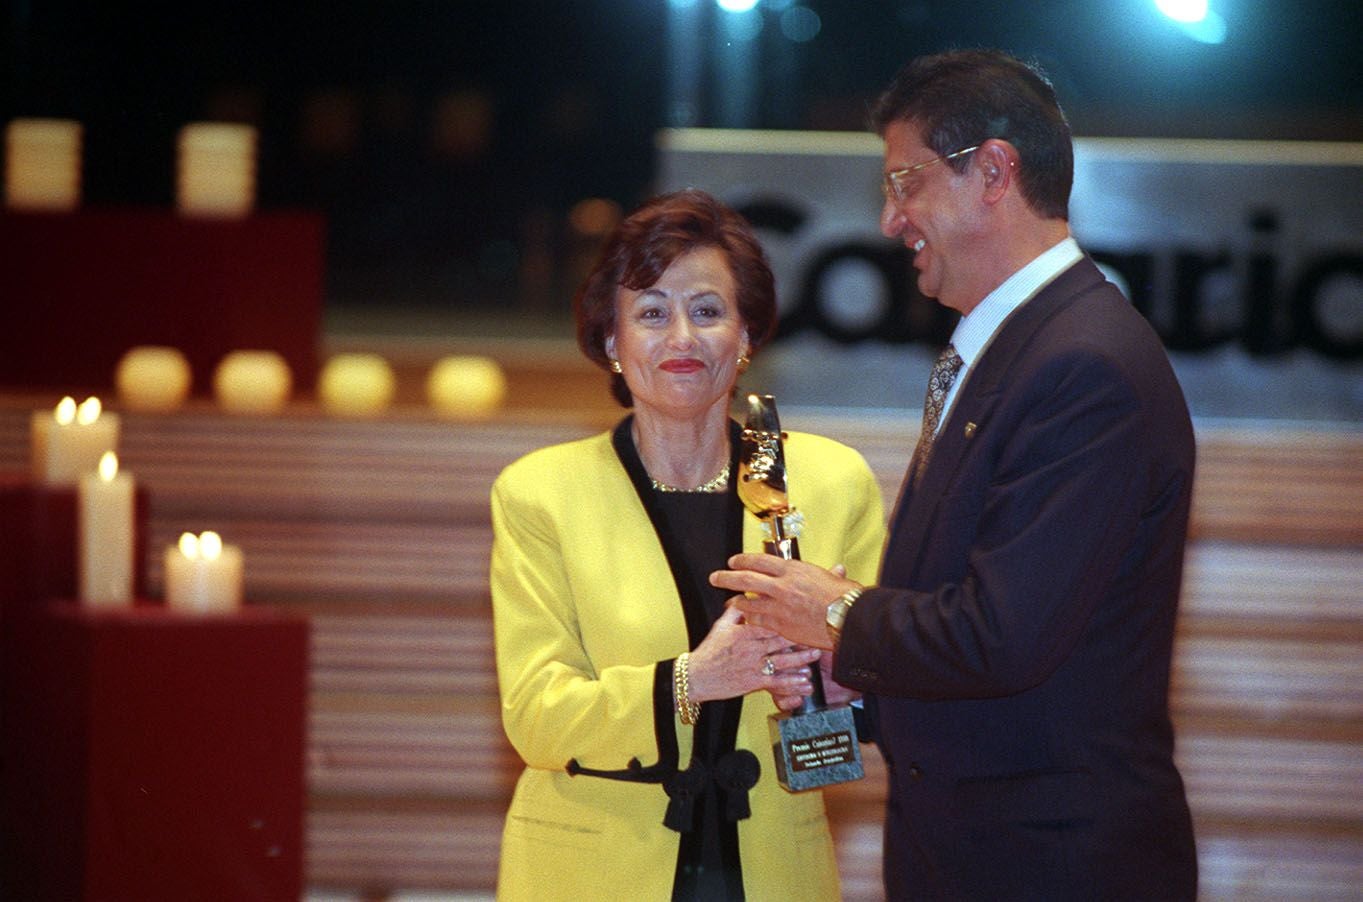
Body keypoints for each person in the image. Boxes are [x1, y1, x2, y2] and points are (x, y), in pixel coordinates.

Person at [712, 49, 1199, 899]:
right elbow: (984, 627)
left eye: (904, 182)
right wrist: (852, 677)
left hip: (1050, 864)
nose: (890, 218)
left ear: (993, 172)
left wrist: (831, 611)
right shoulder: (1020, 347)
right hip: (979, 849)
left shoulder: (1083, 365)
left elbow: (1002, 633)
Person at [489, 188, 885, 901]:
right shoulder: (540, 494)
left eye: (707, 311)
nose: (681, 338)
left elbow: (884, 679)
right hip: (592, 872)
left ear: (746, 337)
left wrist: (845, 680)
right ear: (611, 341)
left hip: (774, 870)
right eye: (650, 313)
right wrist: (691, 680)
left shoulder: (831, 482)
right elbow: (536, 717)